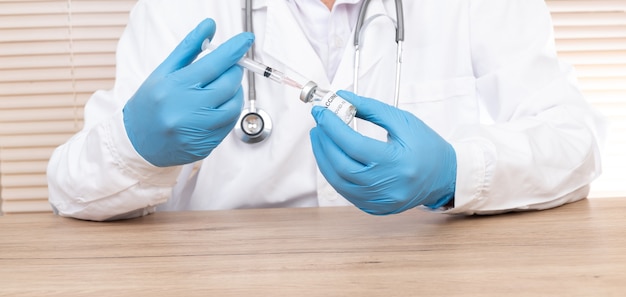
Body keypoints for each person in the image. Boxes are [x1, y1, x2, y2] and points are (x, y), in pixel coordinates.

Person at [46, 0, 605, 221]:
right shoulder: (183, 7)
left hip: (434, 294)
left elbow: (574, 142)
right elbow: (72, 188)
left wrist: (456, 171)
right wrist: (136, 150)